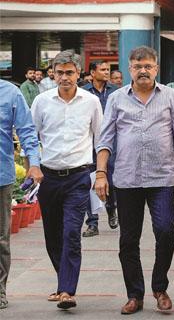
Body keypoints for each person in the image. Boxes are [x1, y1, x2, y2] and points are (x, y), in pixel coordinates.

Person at [94, 46, 174, 315]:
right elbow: (105, 139)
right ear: (130, 69)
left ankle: (160, 287)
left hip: (162, 178)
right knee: (128, 239)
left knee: (165, 231)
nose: (143, 71)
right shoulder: (116, 99)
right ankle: (134, 294)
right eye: (138, 67)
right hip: (126, 179)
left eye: (148, 66)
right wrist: (101, 174)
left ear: (156, 69)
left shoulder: (171, 97)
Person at [31, 50, 103, 310]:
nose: (64, 77)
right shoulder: (41, 101)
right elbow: (32, 136)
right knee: (53, 235)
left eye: (69, 72)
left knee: (72, 232)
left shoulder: (91, 102)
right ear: (53, 73)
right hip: (48, 178)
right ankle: (63, 282)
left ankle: (67, 290)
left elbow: (100, 138)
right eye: (59, 72)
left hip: (78, 176)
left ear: (78, 74)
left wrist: (102, 174)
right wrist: (33, 165)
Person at [0, 80, 42, 309]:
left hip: (1, 177)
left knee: (0, 239)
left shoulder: (10, 93)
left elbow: (26, 131)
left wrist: (33, 164)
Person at [81, 61, 119, 237]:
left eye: (107, 70)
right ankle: (92, 222)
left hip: (110, 144)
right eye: (102, 70)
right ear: (92, 72)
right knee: (90, 182)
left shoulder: (114, 92)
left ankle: (111, 208)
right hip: (88, 144)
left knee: (109, 180)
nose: (106, 72)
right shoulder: (83, 93)